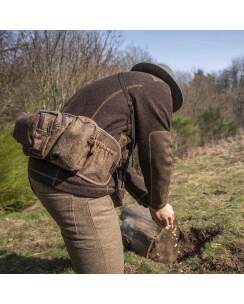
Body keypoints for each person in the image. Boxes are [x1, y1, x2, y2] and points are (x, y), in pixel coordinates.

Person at [28, 62, 183, 274]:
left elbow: (120, 166)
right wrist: (160, 202)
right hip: (73, 185)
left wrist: (149, 200)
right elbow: (158, 151)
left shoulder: (115, 89)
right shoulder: (156, 87)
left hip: (43, 174)